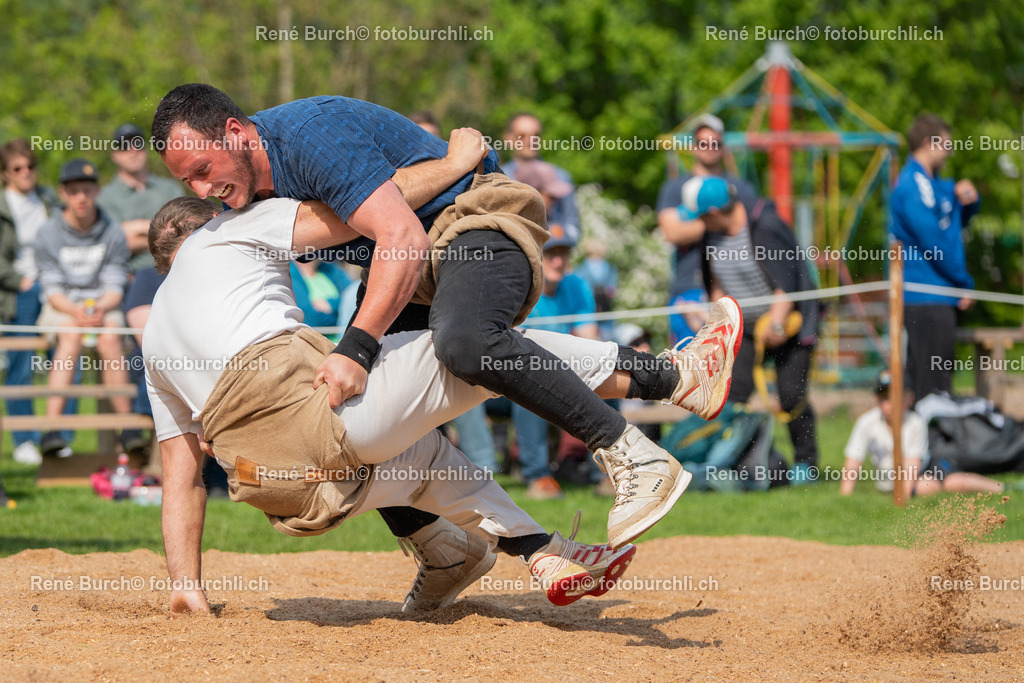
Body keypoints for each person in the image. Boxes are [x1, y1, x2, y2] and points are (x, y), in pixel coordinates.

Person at [151, 85, 740, 563]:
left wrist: (356, 347)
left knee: (466, 343)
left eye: (204, 169)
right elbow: (386, 198)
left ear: (235, 131)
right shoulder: (248, 195)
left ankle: (632, 450)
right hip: (412, 262)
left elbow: (401, 233)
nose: (204, 190)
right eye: (187, 183)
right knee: (356, 415)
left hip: (472, 222)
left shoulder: (308, 133)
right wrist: (450, 159)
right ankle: (455, 556)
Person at [145, 195, 723, 615]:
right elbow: (369, 207)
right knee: (482, 348)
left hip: (294, 496)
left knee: (426, 461)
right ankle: (676, 377)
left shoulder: (152, 342)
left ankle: (536, 552)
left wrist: (185, 584)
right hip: (331, 427)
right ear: (211, 222)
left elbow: (181, 476)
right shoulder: (229, 231)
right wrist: (455, 162)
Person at [687, 175, 820, 481]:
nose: (699, 223)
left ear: (715, 213)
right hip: (743, 328)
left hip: (789, 323)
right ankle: (735, 461)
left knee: (791, 395)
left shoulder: (765, 225)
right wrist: (717, 322)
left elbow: (788, 282)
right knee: (732, 396)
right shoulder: (711, 236)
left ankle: (807, 463)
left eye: (702, 217)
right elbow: (716, 284)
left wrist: (776, 324)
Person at [509, 160, 599, 499]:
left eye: (564, 253)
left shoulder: (577, 286)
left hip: (564, 367)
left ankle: (604, 473)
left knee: (607, 378)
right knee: (528, 384)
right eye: (551, 254)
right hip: (512, 373)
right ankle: (538, 476)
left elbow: (589, 340)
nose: (559, 260)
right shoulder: (517, 283)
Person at [33, 159, 132, 457]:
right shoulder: (47, 233)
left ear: (97, 191)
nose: (81, 197)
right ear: (63, 193)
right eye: (74, 190)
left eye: (87, 190)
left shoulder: (113, 231)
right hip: (62, 307)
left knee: (111, 337)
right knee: (70, 335)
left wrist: (98, 308)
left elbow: (115, 284)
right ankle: (52, 429)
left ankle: (128, 428)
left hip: (104, 304)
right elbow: (52, 289)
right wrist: (76, 311)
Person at [890, 113, 979, 403]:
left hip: (938, 297)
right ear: (930, 143)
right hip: (926, 300)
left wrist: (969, 200)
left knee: (934, 386)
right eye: (947, 146)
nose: (950, 153)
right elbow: (936, 244)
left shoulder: (932, 184)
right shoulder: (911, 186)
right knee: (932, 391)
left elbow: (952, 217)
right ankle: (930, 436)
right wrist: (964, 283)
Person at [656, 114, 758, 342]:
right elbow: (671, 232)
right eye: (703, 143)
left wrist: (695, 223)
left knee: (734, 361)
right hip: (689, 290)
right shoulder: (675, 188)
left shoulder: (740, 188)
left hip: (736, 287)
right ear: (694, 146)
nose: (709, 148)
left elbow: (754, 231)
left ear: (723, 147)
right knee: (686, 359)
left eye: (715, 143)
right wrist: (721, 220)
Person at [841, 370, 1004, 498]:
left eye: (897, 396)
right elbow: (853, 461)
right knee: (925, 487)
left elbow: (912, 465)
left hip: (925, 468)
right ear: (877, 399)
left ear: (909, 398)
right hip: (891, 482)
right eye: (885, 397)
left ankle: (1000, 487)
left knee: (952, 483)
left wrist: (902, 497)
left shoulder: (915, 423)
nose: (891, 403)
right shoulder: (866, 422)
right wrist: (845, 495)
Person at [0, 139, 62, 465]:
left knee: (63, 360)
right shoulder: (3, 205)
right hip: (19, 292)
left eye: (30, 166)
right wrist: (18, 280)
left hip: (52, 288)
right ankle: (24, 439)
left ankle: (59, 436)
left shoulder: (48, 199)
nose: (26, 172)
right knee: (21, 365)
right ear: (5, 174)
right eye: (17, 168)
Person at [501, 112, 580, 243]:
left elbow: (573, 226)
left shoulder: (561, 177)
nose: (530, 140)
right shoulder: (499, 179)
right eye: (522, 135)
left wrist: (556, 234)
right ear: (508, 139)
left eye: (536, 135)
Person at [289, 259, 352, 341]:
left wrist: (331, 304)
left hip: (343, 340)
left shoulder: (330, 268)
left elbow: (355, 299)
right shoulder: (290, 273)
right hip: (313, 343)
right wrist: (343, 312)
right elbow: (310, 320)